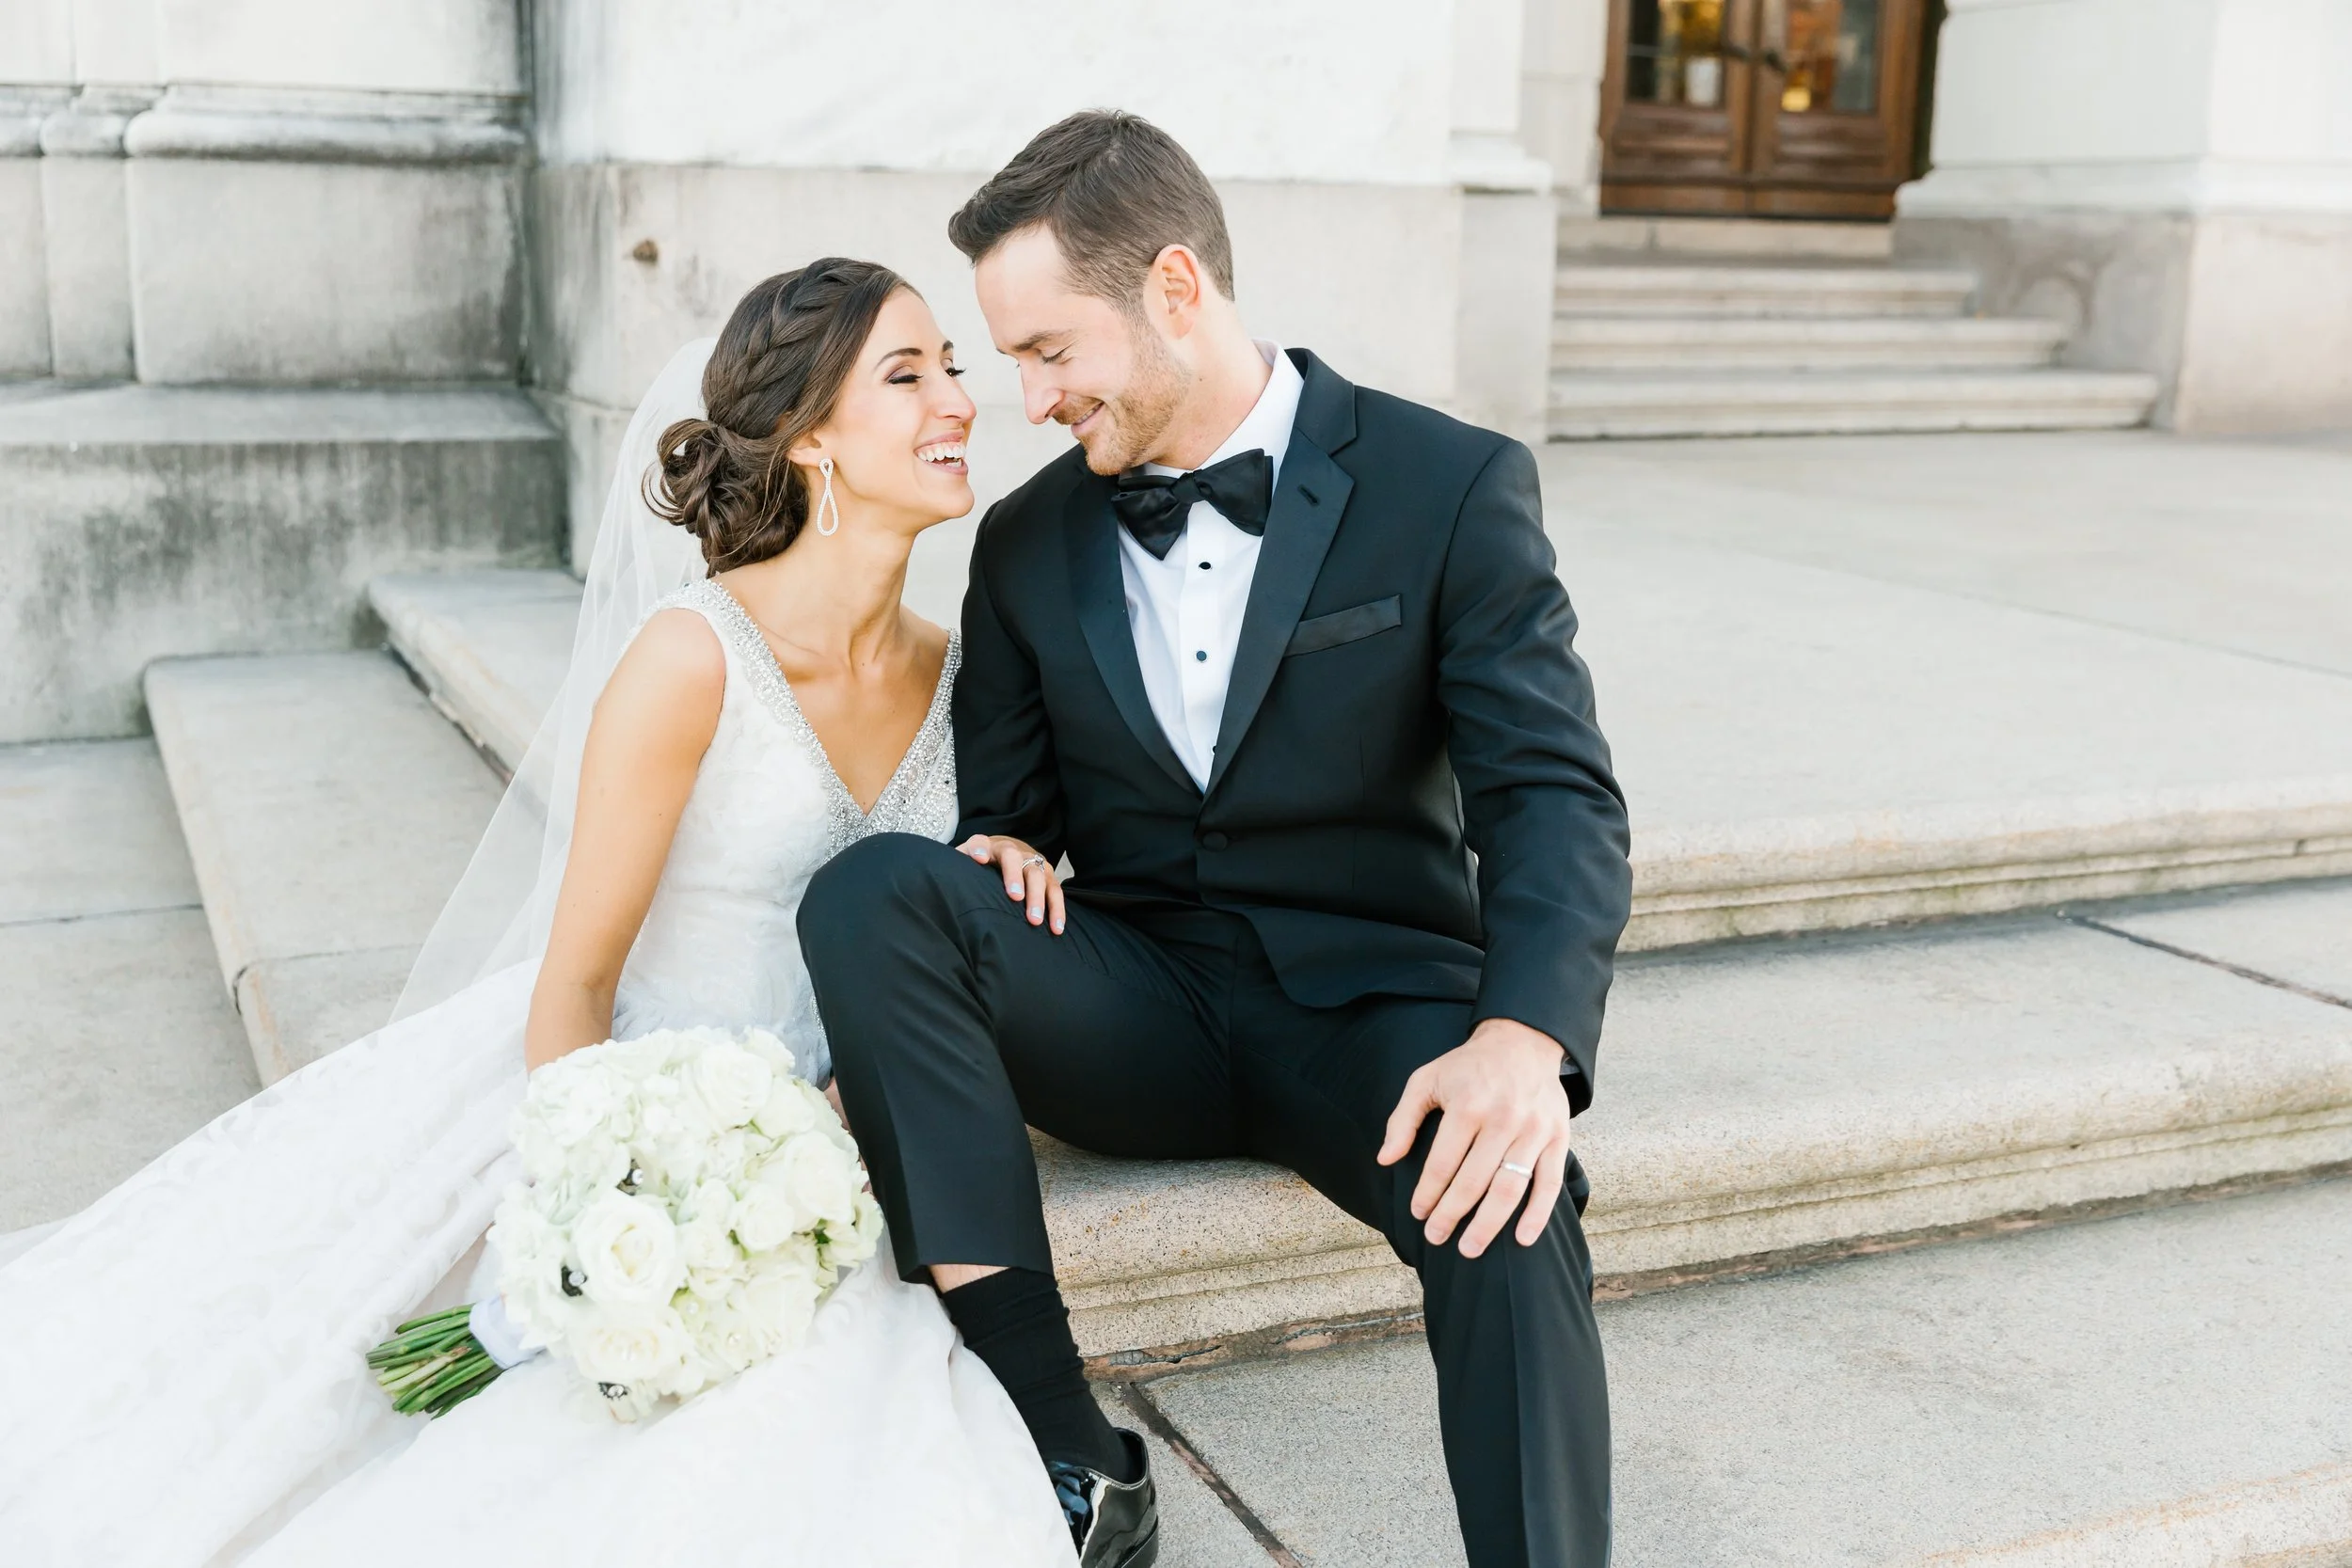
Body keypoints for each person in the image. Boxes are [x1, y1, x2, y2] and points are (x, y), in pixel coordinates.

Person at [0, 261, 1078, 1566]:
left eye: (953, 365)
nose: (959, 398)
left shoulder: (961, 671)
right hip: (618, 1103)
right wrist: (616, 1206)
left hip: (839, 1146)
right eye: (907, 376)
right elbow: (574, 982)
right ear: (808, 443)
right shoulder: (692, 662)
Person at [802, 111, 1632, 1568]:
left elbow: (1552, 791)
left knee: (1512, 1183)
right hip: (1141, 1006)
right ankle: (1065, 1446)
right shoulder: (1025, 542)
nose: (1029, 397)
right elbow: (1011, 811)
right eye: (1013, 360)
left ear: (1175, 290)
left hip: (1372, 1012)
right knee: (874, 892)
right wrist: (1008, 848)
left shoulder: (1450, 486)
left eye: (1052, 350)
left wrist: (1524, 1038)